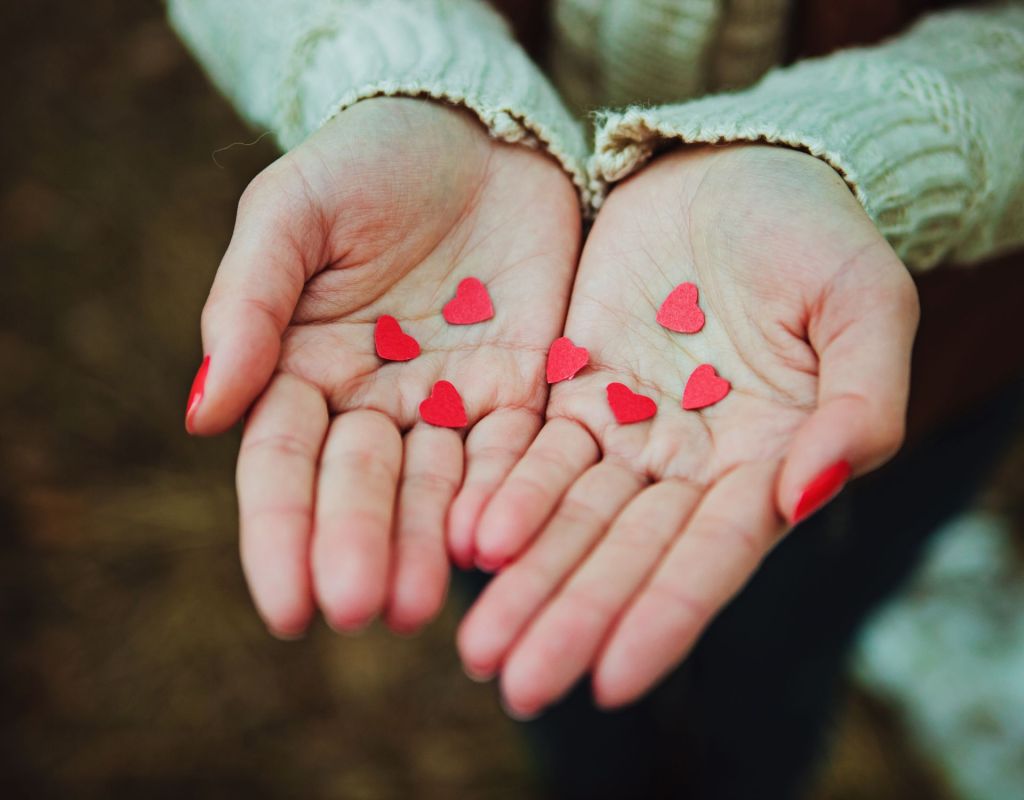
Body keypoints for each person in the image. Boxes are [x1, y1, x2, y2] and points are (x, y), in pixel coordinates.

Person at [172, 1, 1024, 796]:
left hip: (869, 374)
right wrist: (392, 65)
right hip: (489, 406)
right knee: (548, 643)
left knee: (781, 665)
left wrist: (860, 143)